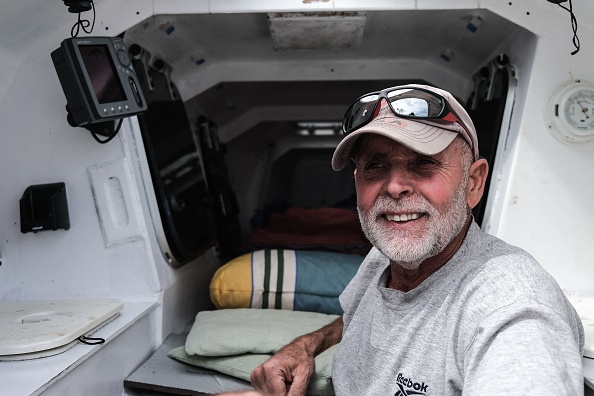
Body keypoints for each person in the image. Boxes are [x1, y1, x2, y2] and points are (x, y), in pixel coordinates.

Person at [249, 84, 585, 395]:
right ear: (356, 181)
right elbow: (360, 317)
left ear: (473, 183)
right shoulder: (386, 258)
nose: (395, 187)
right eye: (376, 165)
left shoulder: (509, 306)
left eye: (423, 164)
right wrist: (307, 346)